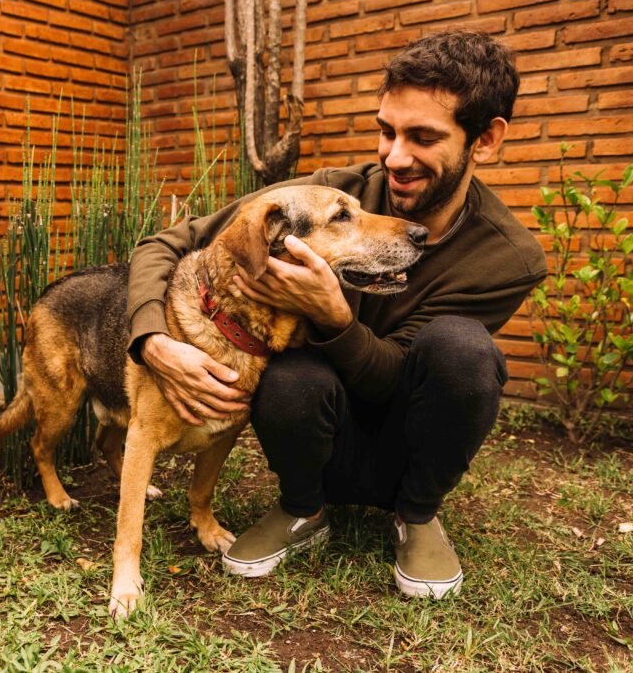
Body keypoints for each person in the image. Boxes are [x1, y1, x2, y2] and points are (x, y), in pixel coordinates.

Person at [125, 30, 547, 598]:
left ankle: (417, 515)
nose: (395, 157)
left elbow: (401, 376)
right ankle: (303, 506)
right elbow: (165, 244)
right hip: (314, 432)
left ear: (485, 140)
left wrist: (333, 316)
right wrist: (152, 340)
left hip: (409, 442)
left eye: (422, 136)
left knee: (465, 350)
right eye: (386, 131)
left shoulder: (507, 257)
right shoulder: (331, 192)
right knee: (288, 369)